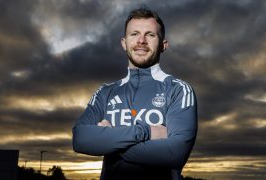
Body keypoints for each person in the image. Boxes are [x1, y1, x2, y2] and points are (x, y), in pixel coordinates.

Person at [72, 6, 198, 180]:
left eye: (150, 35)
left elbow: (175, 153)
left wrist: (111, 141)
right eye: (134, 34)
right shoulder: (105, 92)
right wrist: (146, 132)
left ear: (163, 45)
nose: (141, 41)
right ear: (124, 43)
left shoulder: (179, 90)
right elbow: (80, 139)